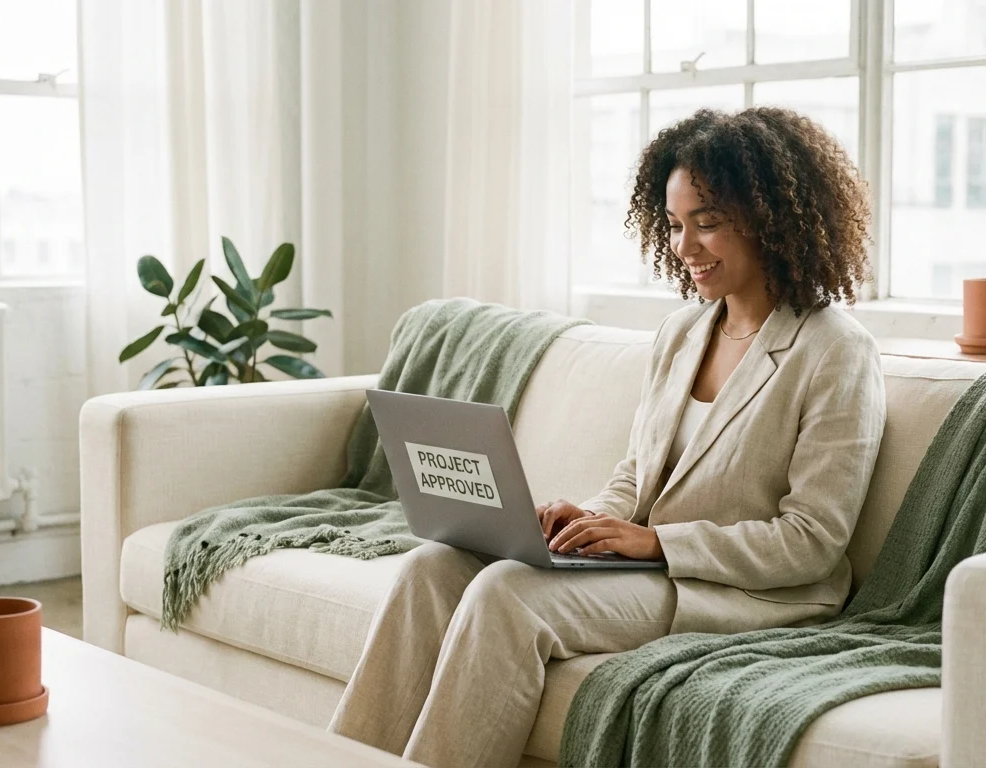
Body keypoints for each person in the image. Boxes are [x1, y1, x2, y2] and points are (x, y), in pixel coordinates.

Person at [329, 106, 887, 767]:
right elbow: (637, 471)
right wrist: (590, 520)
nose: (685, 247)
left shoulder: (834, 352)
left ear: (773, 217)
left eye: (707, 223)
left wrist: (652, 542)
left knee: (509, 597)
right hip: (648, 565)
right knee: (433, 566)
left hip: (744, 594)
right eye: (676, 225)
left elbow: (812, 544)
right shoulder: (684, 332)